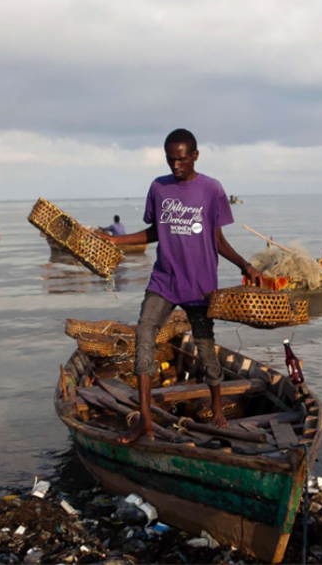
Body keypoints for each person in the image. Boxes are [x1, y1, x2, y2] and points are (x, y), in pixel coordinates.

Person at [105, 128, 264, 444]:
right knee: (144, 333)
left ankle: (218, 406)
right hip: (164, 279)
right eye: (169, 159)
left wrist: (245, 265)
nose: (175, 165)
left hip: (200, 285)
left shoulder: (211, 190)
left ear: (194, 156)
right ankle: (145, 422)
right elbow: (155, 231)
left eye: (180, 159)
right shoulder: (158, 187)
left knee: (205, 348)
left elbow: (217, 239)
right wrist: (115, 240)